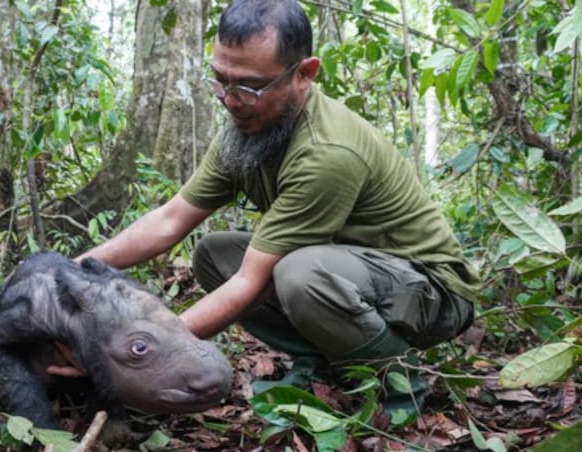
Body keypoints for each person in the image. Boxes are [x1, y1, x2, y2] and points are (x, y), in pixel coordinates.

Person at [50, 0, 480, 413]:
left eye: (252, 85)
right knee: (214, 253)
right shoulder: (247, 127)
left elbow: (251, 282)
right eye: (221, 79)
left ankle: (400, 383)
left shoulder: (327, 153)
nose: (231, 99)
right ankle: (322, 364)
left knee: (300, 274)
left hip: (431, 292)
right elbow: (169, 220)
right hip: (356, 276)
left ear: (304, 74)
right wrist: (62, 272)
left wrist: (135, 355)